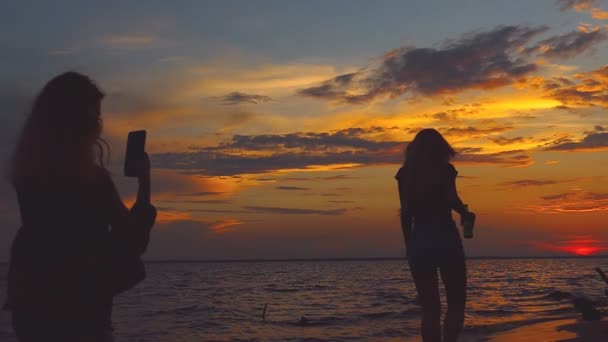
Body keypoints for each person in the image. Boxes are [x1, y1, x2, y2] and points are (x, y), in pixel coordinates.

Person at [3, 72, 157, 341]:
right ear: (79, 120)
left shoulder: (29, 176)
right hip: (82, 308)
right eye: (96, 116)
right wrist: (145, 181)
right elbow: (133, 238)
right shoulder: (91, 180)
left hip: (30, 304)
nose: (99, 124)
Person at [395, 128, 475, 342]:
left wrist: (409, 245)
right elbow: (451, 198)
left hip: (419, 241)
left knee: (430, 309)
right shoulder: (445, 170)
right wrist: (466, 213)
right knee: (456, 303)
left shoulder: (405, 174)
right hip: (445, 238)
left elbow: (406, 212)